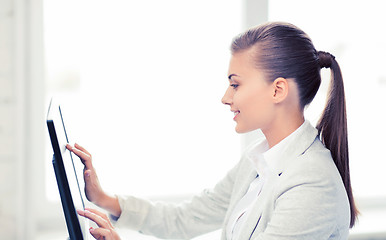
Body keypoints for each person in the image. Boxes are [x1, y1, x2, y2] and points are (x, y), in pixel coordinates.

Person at [67, 22, 358, 240]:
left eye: (236, 84)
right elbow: (186, 218)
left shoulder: (311, 185)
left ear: (278, 89)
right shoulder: (257, 160)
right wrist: (103, 199)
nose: (226, 97)